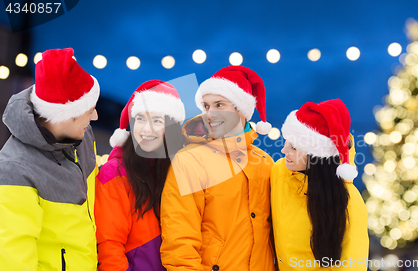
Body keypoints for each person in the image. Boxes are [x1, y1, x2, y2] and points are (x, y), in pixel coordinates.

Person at [160, 66, 276, 271]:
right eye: (205, 106)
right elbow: (179, 237)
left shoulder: (265, 162)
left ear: (241, 109)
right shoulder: (190, 159)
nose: (210, 113)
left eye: (219, 105)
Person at [0, 48, 100, 270]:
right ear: (66, 115)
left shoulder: (82, 136)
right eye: (89, 111)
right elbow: (15, 261)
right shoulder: (14, 170)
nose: (95, 117)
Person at [94, 80, 185, 270]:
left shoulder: (181, 171)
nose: (146, 129)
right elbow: (108, 245)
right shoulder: (116, 172)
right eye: (141, 119)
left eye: (157, 121)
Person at [271, 99, 369, 270]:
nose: (284, 150)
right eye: (286, 142)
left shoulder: (348, 200)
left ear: (317, 156)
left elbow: (352, 265)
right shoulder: (279, 172)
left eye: (293, 147)